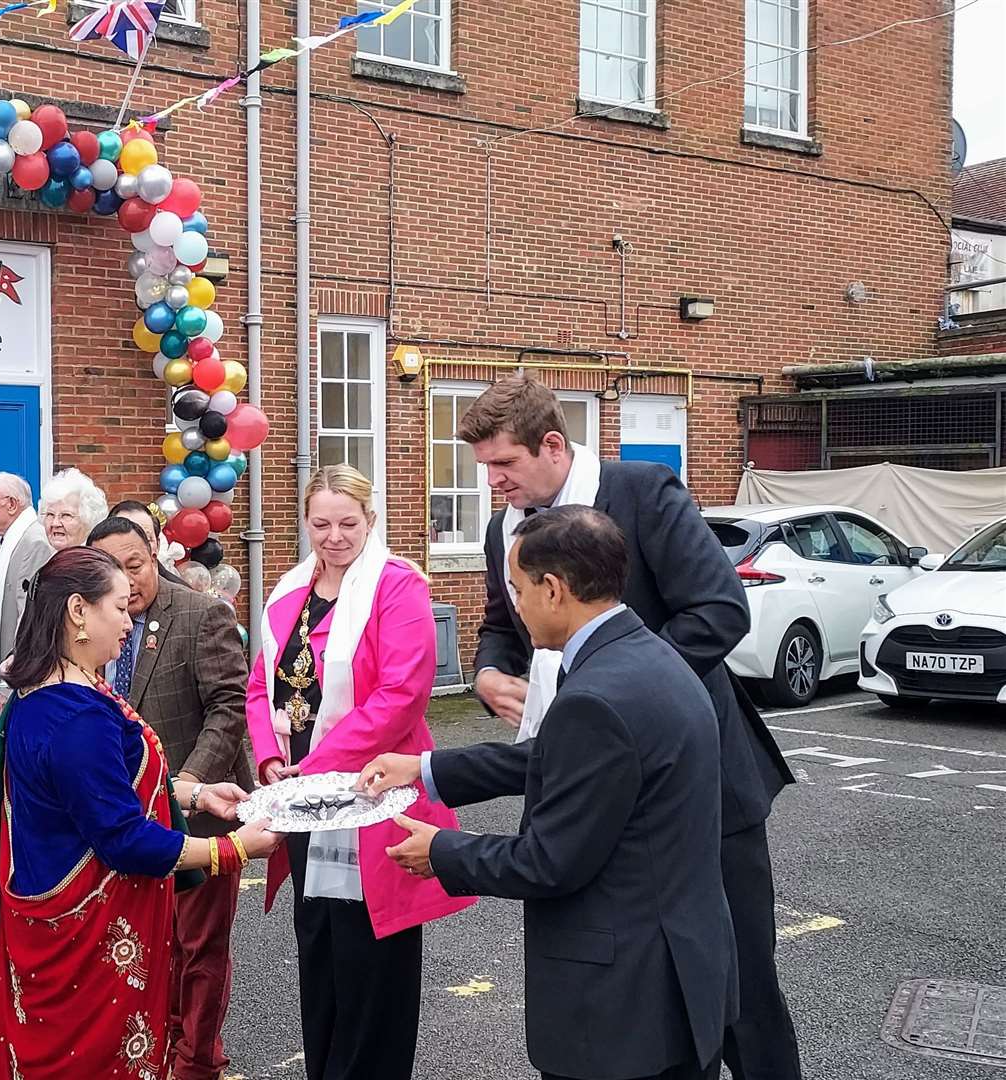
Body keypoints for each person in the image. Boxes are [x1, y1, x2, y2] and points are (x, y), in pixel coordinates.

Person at [459, 377, 799, 1080]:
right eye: (486, 470)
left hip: (702, 787)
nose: (493, 484)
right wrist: (488, 672)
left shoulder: (644, 490)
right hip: (585, 774)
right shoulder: (506, 527)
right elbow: (500, 626)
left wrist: (621, 697)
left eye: (504, 466)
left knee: (737, 991)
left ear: (552, 445)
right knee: (628, 981)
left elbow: (719, 609)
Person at [366, 507, 737, 1080]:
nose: (514, 605)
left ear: (554, 590)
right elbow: (562, 760)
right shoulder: (649, 656)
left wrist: (441, 852)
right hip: (679, 979)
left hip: (620, 1011)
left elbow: (549, 862)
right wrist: (426, 767)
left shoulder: (595, 697)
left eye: (517, 589)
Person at [0, 546, 281, 1079]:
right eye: (119, 608)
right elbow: (124, 839)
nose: (129, 621)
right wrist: (234, 849)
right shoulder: (77, 716)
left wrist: (195, 796)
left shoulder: (46, 691)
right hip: (86, 938)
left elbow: (101, 791)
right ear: (78, 610)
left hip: (51, 921)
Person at [246, 464, 475, 1080]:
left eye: (348, 523)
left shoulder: (398, 585)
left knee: (373, 960)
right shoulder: (290, 589)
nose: (334, 536)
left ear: (371, 522)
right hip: (304, 797)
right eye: (320, 523)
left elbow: (403, 693)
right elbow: (261, 683)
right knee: (318, 950)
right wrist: (269, 754)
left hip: (371, 794)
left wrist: (314, 768)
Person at [87, 516, 254, 1080]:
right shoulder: (91, 626)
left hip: (201, 813)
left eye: (136, 566)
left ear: (155, 552)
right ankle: (160, 1041)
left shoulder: (201, 614)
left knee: (199, 948)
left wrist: (186, 787)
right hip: (131, 823)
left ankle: (198, 1059)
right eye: (115, 571)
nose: (129, 582)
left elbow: (229, 710)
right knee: (151, 946)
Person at [0, 472, 54, 731]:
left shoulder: (33, 542)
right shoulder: (4, 542)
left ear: (12, 504)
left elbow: (30, 618)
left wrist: (8, 683)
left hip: (21, 678)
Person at [111, 498, 187, 584]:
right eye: (126, 538)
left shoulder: (181, 594)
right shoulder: (96, 586)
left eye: (147, 539)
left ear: (158, 545)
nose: (136, 546)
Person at [37, 466, 107, 550]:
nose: (55, 523)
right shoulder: (48, 558)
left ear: (88, 520)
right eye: (50, 514)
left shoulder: (92, 561)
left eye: (66, 515)